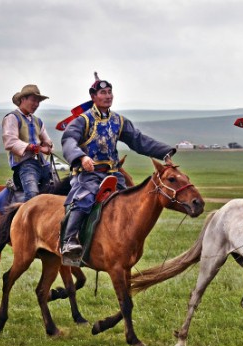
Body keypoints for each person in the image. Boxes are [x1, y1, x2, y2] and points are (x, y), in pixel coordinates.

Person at [60, 73, 176, 266]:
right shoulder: (83, 121)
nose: (108, 96)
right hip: (89, 174)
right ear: (93, 97)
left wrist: (164, 153)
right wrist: (81, 157)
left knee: (130, 203)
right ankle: (69, 241)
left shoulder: (119, 121)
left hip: (113, 174)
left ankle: (124, 243)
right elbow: (68, 140)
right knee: (85, 199)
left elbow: (138, 140)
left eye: (110, 92)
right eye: (103, 93)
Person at [2, 84, 54, 202]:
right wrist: (35, 147)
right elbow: (10, 142)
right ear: (23, 99)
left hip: (42, 163)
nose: (36, 104)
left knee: (56, 188)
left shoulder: (37, 121)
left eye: (38, 101)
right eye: (33, 100)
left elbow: (47, 141)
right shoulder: (12, 118)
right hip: (24, 165)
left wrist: (48, 146)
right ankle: (24, 219)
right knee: (32, 195)